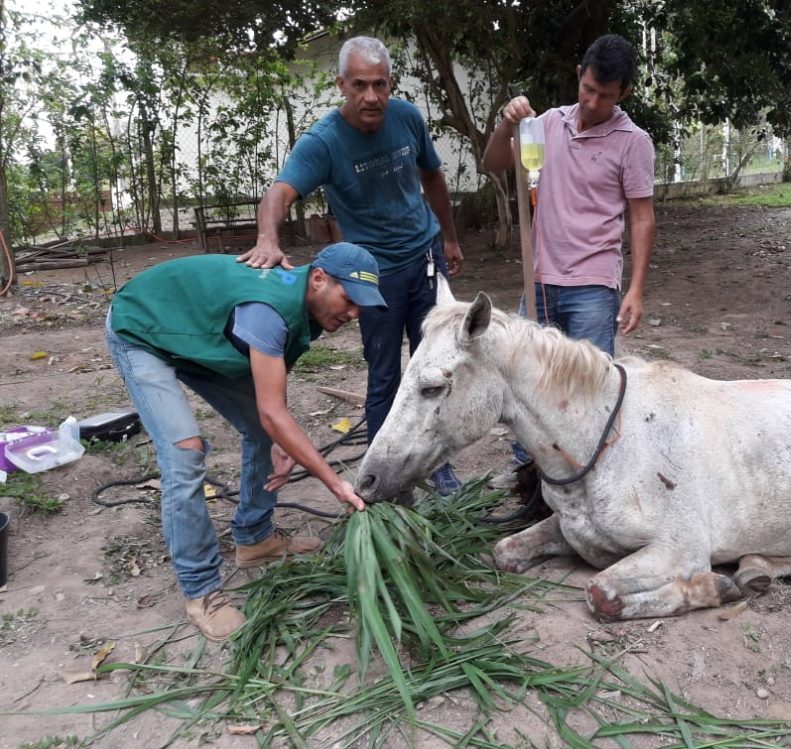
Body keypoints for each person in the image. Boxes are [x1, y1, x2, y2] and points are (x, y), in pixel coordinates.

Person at [106, 243, 384, 641]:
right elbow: (273, 412)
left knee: (265, 432)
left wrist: (278, 439)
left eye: (362, 305)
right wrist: (334, 482)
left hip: (195, 335)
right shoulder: (268, 310)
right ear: (319, 278)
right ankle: (201, 591)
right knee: (185, 454)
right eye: (350, 299)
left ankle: (255, 538)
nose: (355, 313)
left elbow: (272, 390)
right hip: (143, 328)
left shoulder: (307, 300)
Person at [239, 35, 465, 497]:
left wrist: (449, 235)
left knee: (436, 368)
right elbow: (280, 192)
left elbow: (432, 176)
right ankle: (386, 473)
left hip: (424, 257)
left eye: (380, 84)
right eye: (360, 85)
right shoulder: (323, 142)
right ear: (342, 84)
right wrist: (267, 237)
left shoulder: (406, 118)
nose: (371, 97)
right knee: (384, 374)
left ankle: (437, 464)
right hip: (373, 279)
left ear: (390, 84)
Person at [481, 33, 656, 487]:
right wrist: (507, 123)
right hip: (539, 278)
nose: (594, 102)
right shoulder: (547, 125)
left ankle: (587, 475)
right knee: (528, 379)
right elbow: (494, 162)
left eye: (606, 95)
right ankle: (527, 470)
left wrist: (635, 288)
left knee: (588, 388)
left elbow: (641, 218)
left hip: (594, 285)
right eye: (588, 89)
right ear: (579, 75)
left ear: (624, 94)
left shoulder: (633, 142)